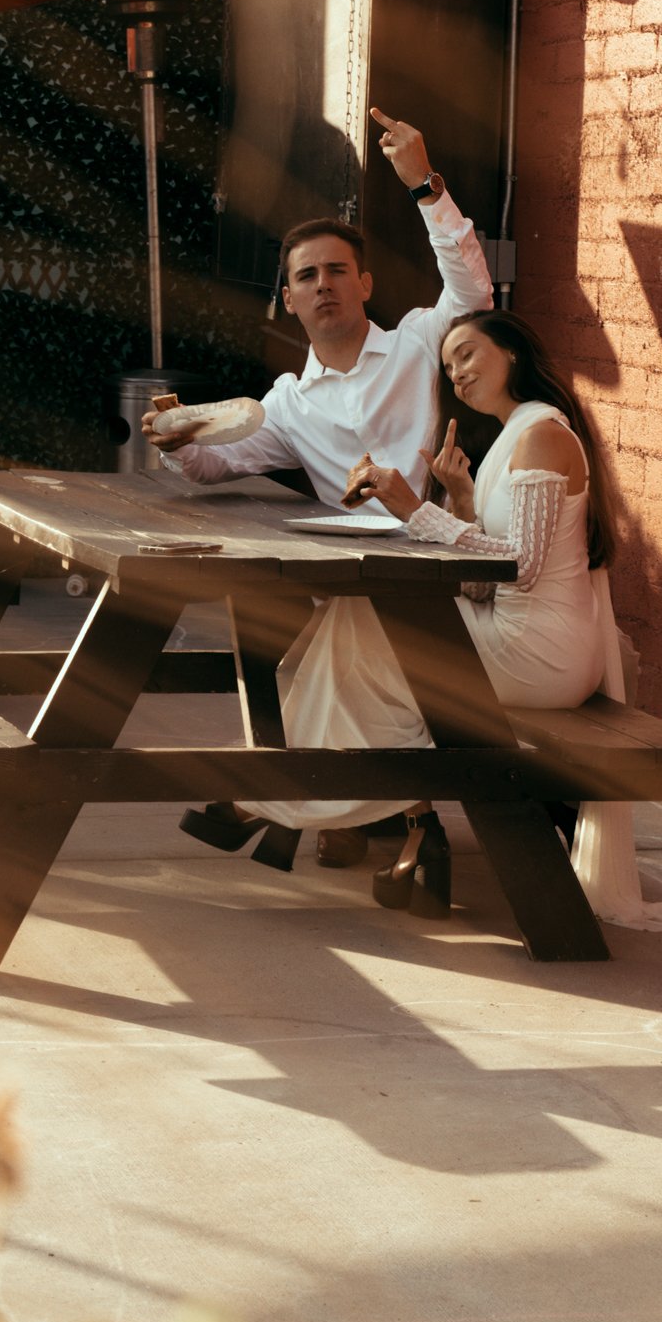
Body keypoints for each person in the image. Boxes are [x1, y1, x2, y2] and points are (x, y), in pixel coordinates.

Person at [145, 104, 494, 869]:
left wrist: (423, 185)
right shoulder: (285, 404)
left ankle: (274, 800)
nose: (324, 284)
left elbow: (472, 292)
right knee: (313, 647)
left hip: (438, 561)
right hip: (354, 574)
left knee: (324, 648)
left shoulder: (413, 345)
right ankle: (407, 817)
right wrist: (177, 440)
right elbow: (213, 466)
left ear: (364, 282)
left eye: (338, 270)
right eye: (307, 276)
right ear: (291, 300)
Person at [238, 308, 620, 913]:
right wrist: (463, 503)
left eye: (467, 354)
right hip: (511, 630)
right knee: (357, 619)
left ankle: (301, 798)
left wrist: (415, 508)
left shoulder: (543, 434)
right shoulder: (510, 437)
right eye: (447, 366)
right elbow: (483, 585)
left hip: (542, 652)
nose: (457, 374)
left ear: (512, 352)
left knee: (364, 631)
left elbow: (519, 568)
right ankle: (389, 820)